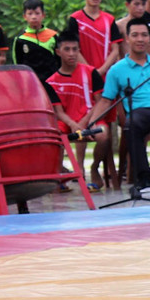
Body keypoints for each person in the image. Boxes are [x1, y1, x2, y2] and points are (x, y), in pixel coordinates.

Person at [86, 18, 150, 194]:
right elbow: (106, 100)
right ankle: (145, 178)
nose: (140, 39)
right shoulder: (116, 69)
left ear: (149, 38)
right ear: (127, 39)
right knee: (131, 126)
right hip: (139, 113)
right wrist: (91, 122)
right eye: (135, 35)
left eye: (144, 35)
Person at [44, 30, 111, 189]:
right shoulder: (51, 81)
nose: (72, 53)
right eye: (67, 49)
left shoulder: (90, 72)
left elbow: (100, 102)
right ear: (58, 52)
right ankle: (59, 174)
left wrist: (84, 121)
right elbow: (58, 112)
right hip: (67, 122)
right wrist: (73, 125)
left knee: (103, 133)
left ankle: (95, 168)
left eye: (75, 49)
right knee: (52, 135)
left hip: (90, 117)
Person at [65, 0, 123, 78]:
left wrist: (101, 70)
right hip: (83, 74)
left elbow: (115, 50)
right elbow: (73, 48)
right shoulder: (75, 19)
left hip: (107, 75)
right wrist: (91, 71)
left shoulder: (109, 19)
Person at [11, 0, 58, 82]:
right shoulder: (20, 39)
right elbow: (18, 64)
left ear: (43, 15)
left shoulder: (53, 36)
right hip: (31, 82)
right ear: (24, 16)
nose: (34, 17)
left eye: (37, 13)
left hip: (52, 81)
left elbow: (59, 61)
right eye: (30, 14)